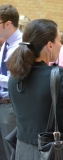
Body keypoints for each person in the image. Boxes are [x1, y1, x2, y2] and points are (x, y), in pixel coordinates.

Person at [7, 19, 63, 160]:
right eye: (59, 40)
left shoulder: (14, 76)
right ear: (50, 45)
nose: (62, 45)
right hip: (53, 151)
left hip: (22, 150)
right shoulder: (61, 76)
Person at [0, 4, 22, 160]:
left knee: (12, 153)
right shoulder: (6, 44)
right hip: (3, 104)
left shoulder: (21, 45)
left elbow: (18, 81)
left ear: (7, 24)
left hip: (11, 104)